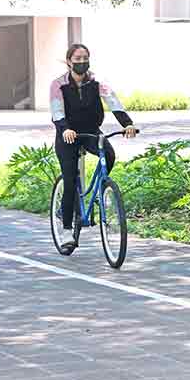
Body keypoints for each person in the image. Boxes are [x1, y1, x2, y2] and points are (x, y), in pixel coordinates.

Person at [50, 43, 137, 248]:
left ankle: (102, 189)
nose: (82, 62)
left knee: (109, 154)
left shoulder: (97, 81)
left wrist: (128, 124)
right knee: (70, 181)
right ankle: (67, 230)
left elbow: (113, 102)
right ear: (69, 61)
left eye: (85, 58)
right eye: (77, 58)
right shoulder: (58, 84)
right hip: (68, 135)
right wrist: (64, 129)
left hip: (90, 132)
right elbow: (56, 111)